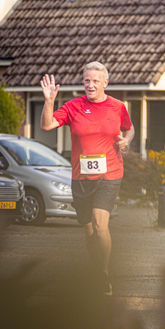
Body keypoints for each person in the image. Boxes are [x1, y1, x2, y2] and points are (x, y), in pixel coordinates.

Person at [40, 61, 134, 294]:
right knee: (89, 229)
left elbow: (129, 128)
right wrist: (49, 100)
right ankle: (96, 267)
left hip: (110, 173)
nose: (90, 85)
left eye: (94, 81)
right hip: (80, 176)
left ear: (105, 83)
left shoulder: (117, 106)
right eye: (86, 81)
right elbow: (46, 125)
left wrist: (126, 141)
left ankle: (103, 274)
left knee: (101, 224)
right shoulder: (73, 106)